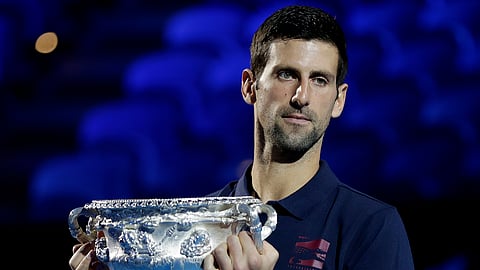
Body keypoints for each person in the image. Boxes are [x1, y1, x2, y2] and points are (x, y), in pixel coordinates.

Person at [69, 4, 414, 270]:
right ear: (250, 85)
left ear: (339, 100)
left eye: (320, 80)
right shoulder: (194, 225)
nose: (302, 96)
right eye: (286, 75)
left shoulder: (371, 227)